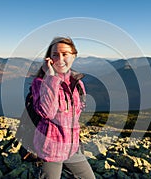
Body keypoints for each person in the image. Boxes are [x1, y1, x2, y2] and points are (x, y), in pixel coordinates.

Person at [31, 37, 95, 179]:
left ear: (74, 56)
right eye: (55, 54)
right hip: (50, 150)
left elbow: (77, 113)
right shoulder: (40, 82)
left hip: (72, 148)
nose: (60, 58)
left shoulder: (77, 82)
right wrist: (51, 77)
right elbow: (47, 112)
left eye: (65, 54)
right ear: (49, 58)